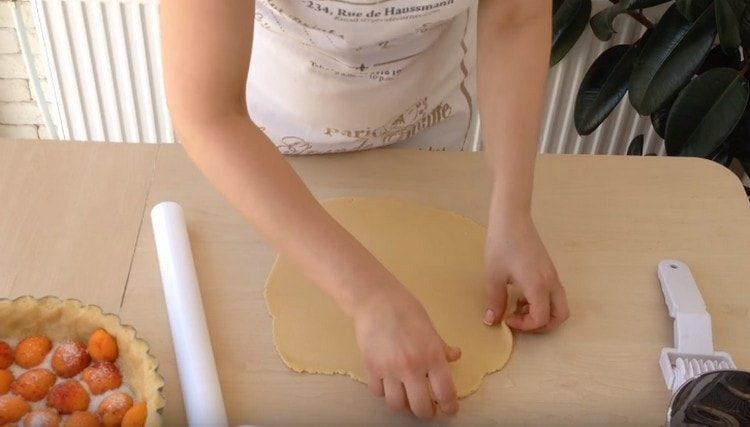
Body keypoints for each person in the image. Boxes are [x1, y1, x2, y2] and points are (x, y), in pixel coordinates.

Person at [161, 0, 569, 419]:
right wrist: (369, 297)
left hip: (428, 133)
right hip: (273, 153)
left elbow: (516, 17)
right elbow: (209, 114)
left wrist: (513, 209)